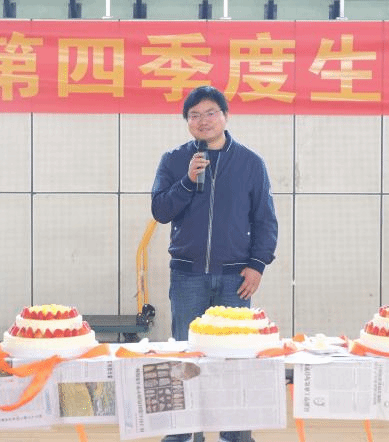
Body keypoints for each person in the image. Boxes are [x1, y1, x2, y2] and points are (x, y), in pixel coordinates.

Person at [151, 86, 278, 442]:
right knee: (185, 358)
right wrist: (188, 181)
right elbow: (160, 210)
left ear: (225, 116)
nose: (202, 120)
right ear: (187, 122)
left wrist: (257, 264)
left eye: (210, 113)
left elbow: (265, 219)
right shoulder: (174, 160)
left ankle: (236, 436)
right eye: (194, 115)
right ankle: (182, 435)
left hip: (235, 278)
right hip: (187, 276)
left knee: (234, 361)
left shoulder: (250, 163)